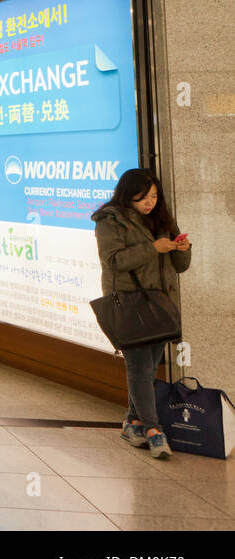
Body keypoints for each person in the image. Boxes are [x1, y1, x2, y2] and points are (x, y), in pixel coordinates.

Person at [91, 168, 192, 460]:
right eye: (143, 197)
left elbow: (180, 265)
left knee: (149, 368)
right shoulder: (110, 220)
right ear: (127, 194)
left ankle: (132, 423)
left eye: (154, 196)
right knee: (138, 367)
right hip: (130, 302)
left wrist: (182, 248)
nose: (150, 202)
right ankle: (152, 429)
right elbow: (114, 261)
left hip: (161, 304)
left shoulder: (162, 218)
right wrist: (153, 248)